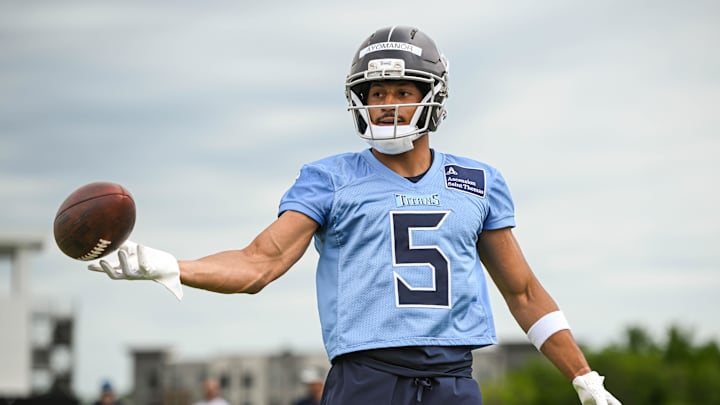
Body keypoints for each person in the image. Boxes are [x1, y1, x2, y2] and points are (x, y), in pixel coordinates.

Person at [89, 25, 622, 405]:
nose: (387, 104)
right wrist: (170, 265)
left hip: (455, 381)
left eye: (402, 91)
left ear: (430, 98)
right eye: (377, 92)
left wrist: (583, 376)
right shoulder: (330, 177)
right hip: (366, 379)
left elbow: (524, 292)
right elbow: (260, 263)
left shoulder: (477, 181)